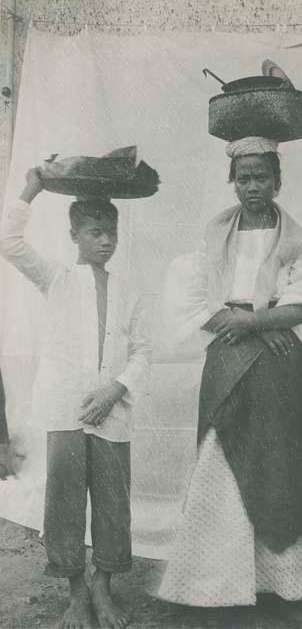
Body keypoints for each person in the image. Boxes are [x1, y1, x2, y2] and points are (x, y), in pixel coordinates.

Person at [155, 136, 302, 628]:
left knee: (283, 465)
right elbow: (198, 305)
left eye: (262, 176)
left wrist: (259, 323)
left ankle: (287, 587)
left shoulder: (298, 242)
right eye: (244, 178)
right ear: (232, 182)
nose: (253, 186)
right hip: (229, 355)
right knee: (221, 459)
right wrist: (256, 324)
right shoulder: (213, 240)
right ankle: (210, 585)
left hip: (279, 366)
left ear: (277, 181)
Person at [0, 169, 152, 629]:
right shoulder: (57, 278)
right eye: (96, 232)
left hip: (113, 412)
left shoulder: (129, 291)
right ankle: (76, 592)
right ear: (75, 236)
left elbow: (145, 351)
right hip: (65, 408)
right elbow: (8, 241)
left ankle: (104, 587)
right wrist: (32, 187)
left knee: (112, 500)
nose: (106, 241)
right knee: (65, 500)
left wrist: (115, 389)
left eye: (112, 231)